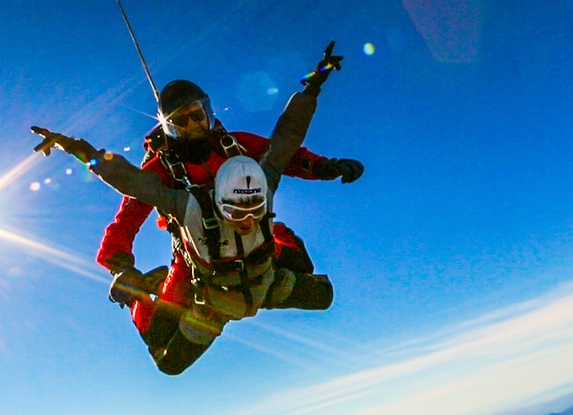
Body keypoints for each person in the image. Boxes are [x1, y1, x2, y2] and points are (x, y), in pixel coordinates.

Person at [33, 42, 350, 374]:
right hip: (197, 258)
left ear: (208, 113)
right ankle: (144, 297)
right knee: (164, 350)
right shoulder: (162, 170)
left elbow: (285, 150)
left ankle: (274, 252)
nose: (190, 126)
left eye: (196, 116)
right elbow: (127, 206)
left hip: (256, 242)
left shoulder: (235, 145)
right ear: (168, 127)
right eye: (178, 122)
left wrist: (325, 165)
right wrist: (121, 269)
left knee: (306, 272)